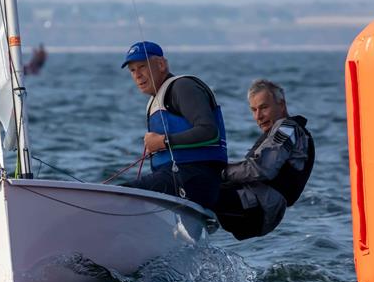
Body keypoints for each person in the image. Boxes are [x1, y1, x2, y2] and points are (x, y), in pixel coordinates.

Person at [121, 41, 227, 210]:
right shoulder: (155, 100)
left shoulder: (182, 87)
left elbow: (209, 131)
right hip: (177, 178)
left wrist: (163, 142)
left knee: (121, 193)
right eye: (132, 71)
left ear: (161, 64)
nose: (137, 75)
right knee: (127, 190)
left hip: (195, 178)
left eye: (142, 67)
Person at [215, 79, 315, 240]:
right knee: (200, 183)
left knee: (196, 183)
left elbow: (261, 169)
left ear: (281, 105)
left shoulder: (288, 129)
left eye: (264, 108)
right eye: (253, 110)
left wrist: (219, 171)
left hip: (258, 209)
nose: (258, 116)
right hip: (259, 208)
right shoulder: (284, 130)